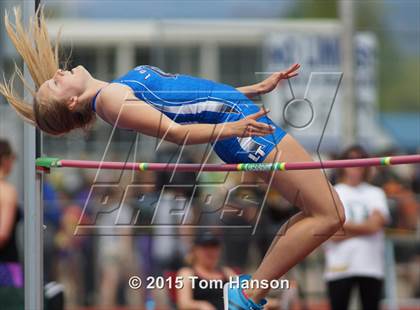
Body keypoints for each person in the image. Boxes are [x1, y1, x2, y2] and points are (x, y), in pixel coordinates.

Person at [1, 8, 345, 309]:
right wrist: (233, 128)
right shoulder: (110, 101)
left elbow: (191, 97)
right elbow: (177, 132)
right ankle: (248, 294)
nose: (58, 74)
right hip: (241, 130)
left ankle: (250, 292)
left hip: (240, 120)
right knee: (330, 214)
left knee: (320, 212)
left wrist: (248, 91)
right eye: (55, 85)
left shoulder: (117, 88)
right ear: (72, 104)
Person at [324, 145, 390, 310]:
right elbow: (332, 235)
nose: (355, 166)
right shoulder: (333, 192)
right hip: (339, 267)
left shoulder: (376, 193)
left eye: (360, 161)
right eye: (351, 160)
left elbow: (375, 225)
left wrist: (344, 227)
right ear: (342, 165)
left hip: (371, 267)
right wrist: (365, 228)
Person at [0, 139, 23, 308]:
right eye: (13, 158)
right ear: (5, 159)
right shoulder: (7, 191)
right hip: (6, 268)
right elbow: (3, 234)